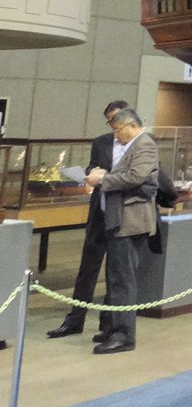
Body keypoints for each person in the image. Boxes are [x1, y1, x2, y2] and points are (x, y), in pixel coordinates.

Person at [47, 99, 129, 340]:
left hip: (123, 214)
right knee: (87, 269)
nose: (113, 124)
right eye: (109, 121)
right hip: (99, 211)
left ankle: (108, 323)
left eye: (116, 119)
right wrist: (92, 172)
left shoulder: (138, 144)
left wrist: (108, 177)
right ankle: (75, 320)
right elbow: (93, 166)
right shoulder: (101, 142)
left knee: (115, 271)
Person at [85, 108, 159, 354]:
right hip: (118, 220)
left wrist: (102, 179)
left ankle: (124, 335)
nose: (116, 136)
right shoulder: (133, 145)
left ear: (131, 126)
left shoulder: (145, 144)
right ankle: (113, 328)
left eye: (118, 130)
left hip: (131, 221)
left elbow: (135, 177)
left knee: (123, 281)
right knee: (115, 278)